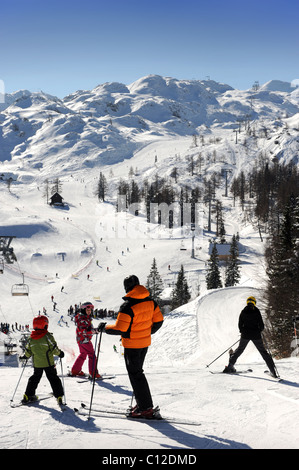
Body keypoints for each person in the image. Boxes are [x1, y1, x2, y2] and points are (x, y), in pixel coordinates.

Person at [104, 275, 164, 419]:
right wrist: (146, 332)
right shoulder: (151, 302)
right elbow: (159, 321)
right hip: (144, 344)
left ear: (127, 288)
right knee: (138, 373)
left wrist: (104, 328)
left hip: (132, 345)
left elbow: (120, 329)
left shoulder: (128, 306)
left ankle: (145, 408)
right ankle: (142, 403)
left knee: (136, 376)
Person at [223, 296, 278, 377]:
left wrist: (243, 331)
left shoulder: (243, 311)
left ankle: (230, 366)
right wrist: (259, 330)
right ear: (254, 302)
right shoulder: (256, 311)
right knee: (263, 352)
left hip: (245, 335)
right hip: (256, 335)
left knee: (240, 350)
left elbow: (240, 324)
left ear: (247, 302)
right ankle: (273, 371)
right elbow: (261, 325)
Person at [20, 315, 65, 404]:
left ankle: (28, 395)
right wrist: (60, 353)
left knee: (34, 379)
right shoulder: (47, 336)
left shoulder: (31, 338)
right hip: (49, 364)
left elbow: (28, 350)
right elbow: (54, 348)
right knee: (53, 378)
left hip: (37, 364)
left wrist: (25, 356)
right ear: (44, 325)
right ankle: (59, 395)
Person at [70, 302, 101, 378]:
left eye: (90, 310)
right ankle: (93, 373)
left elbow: (88, 329)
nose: (89, 311)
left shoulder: (85, 318)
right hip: (84, 340)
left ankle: (75, 370)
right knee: (92, 355)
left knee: (83, 354)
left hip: (81, 339)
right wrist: (93, 331)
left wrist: (96, 330)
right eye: (87, 309)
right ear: (83, 309)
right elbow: (83, 331)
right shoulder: (82, 318)